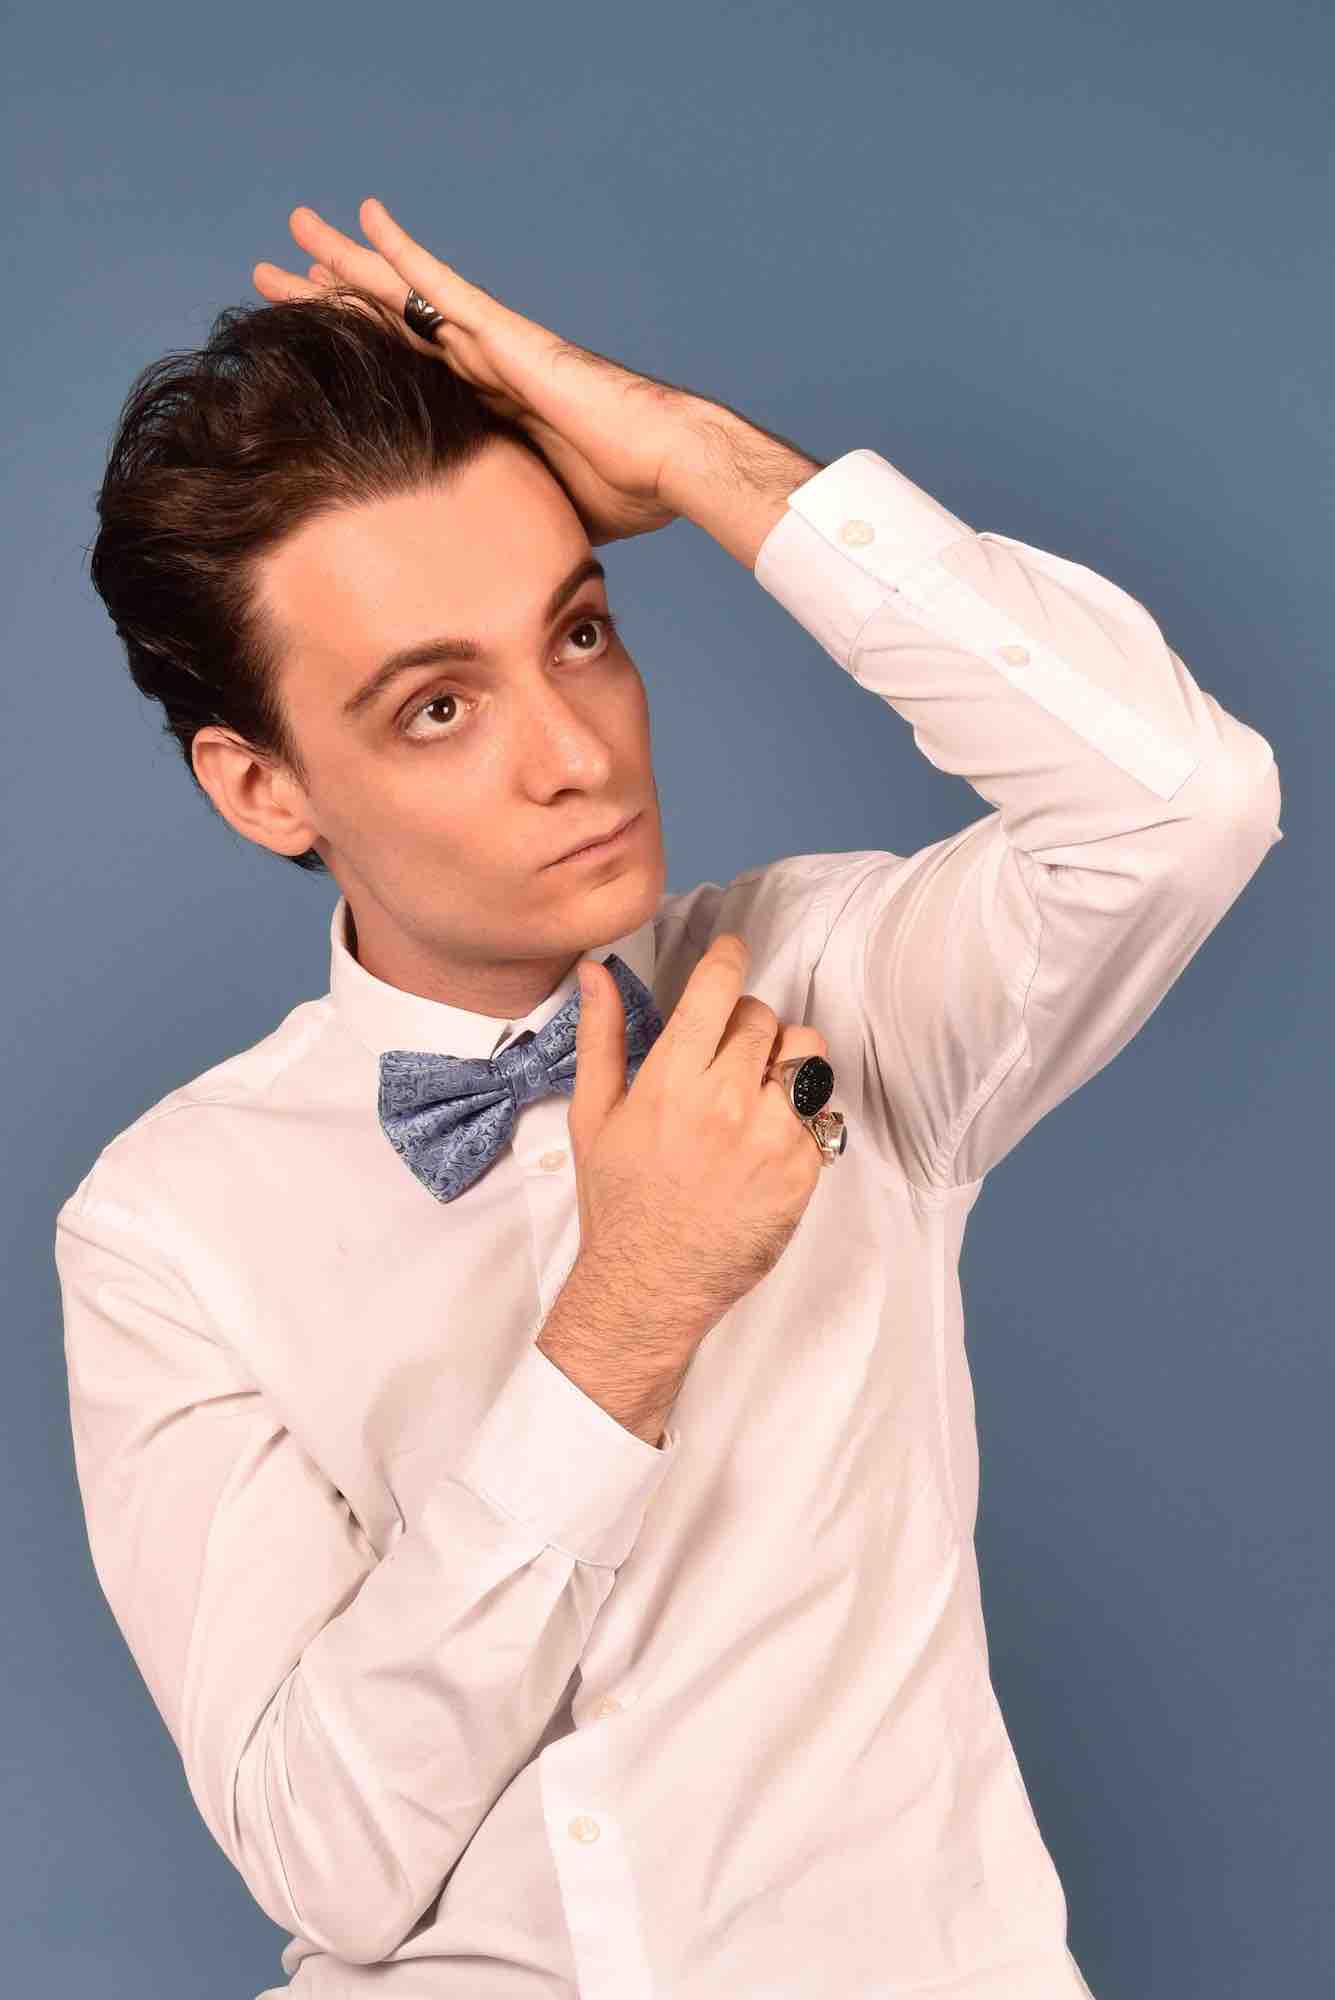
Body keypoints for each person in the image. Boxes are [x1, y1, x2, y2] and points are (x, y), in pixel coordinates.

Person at [55, 197, 1282, 2000]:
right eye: (436, 709)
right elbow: (324, 1853)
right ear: (263, 789)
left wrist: (702, 460)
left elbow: (1182, 807)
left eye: (577, 634)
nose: (577, 753)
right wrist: (625, 1318)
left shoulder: (833, 985)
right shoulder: (168, 1222)